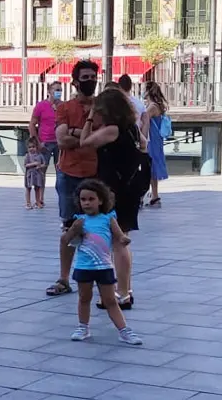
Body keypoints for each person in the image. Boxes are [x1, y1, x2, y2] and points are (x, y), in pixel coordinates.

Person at [80, 88, 147, 310]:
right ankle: (126, 290)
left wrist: (89, 118)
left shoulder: (112, 130)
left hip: (114, 190)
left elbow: (84, 142)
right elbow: (144, 145)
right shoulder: (133, 129)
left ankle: (121, 293)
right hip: (129, 188)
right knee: (122, 239)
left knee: (118, 242)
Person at [62, 179, 142, 345]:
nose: (87, 203)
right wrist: (73, 230)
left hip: (104, 266)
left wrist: (123, 239)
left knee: (110, 300)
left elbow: (119, 235)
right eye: (83, 199)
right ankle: (83, 327)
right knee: (84, 297)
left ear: (101, 200)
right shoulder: (79, 220)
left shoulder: (108, 218)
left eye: (91, 199)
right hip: (84, 266)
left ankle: (124, 330)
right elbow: (65, 241)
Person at [47, 61, 100, 297]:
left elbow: (109, 137)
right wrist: (89, 137)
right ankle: (64, 278)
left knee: (99, 228)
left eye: (93, 76)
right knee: (69, 227)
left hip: (97, 175)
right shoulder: (65, 108)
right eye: (86, 77)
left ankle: (99, 277)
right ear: (75, 81)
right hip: (69, 174)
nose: (91, 81)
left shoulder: (104, 108)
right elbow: (61, 140)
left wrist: (75, 133)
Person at [143, 81, 169, 207]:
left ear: (148, 91)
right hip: (156, 139)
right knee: (152, 168)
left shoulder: (152, 107)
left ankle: (147, 195)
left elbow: (144, 118)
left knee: (148, 167)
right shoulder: (158, 105)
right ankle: (154, 195)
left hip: (151, 139)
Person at [31, 82, 62, 174]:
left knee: (61, 171)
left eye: (60, 90)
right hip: (45, 143)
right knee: (41, 171)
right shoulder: (41, 105)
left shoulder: (64, 106)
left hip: (59, 143)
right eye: (56, 90)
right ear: (49, 91)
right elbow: (32, 125)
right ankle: (40, 188)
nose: (59, 92)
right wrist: (37, 143)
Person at [118, 74, 149, 139]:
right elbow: (145, 122)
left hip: (120, 138)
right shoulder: (140, 103)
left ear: (119, 86)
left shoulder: (116, 102)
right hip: (136, 137)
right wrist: (143, 140)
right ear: (131, 86)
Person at [24, 137, 46, 209]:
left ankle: (38, 202)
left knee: (37, 188)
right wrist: (34, 164)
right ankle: (28, 203)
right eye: (29, 147)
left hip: (38, 175)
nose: (31, 149)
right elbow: (25, 165)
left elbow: (44, 164)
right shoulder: (27, 156)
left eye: (33, 147)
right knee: (28, 188)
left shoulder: (40, 155)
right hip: (29, 175)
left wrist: (40, 166)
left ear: (37, 147)